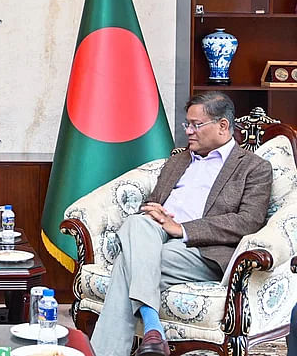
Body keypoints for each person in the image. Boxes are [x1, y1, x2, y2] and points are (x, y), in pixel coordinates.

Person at [90, 91, 273, 356]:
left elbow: (248, 221)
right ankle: (154, 332)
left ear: (223, 126)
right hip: (155, 234)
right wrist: (157, 214)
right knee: (136, 224)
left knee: (128, 262)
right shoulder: (179, 160)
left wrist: (184, 229)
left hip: (202, 250)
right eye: (187, 124)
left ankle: (138, 335)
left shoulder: (254, 168)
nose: (189, 131)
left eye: (196, 125)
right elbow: (155, 201)